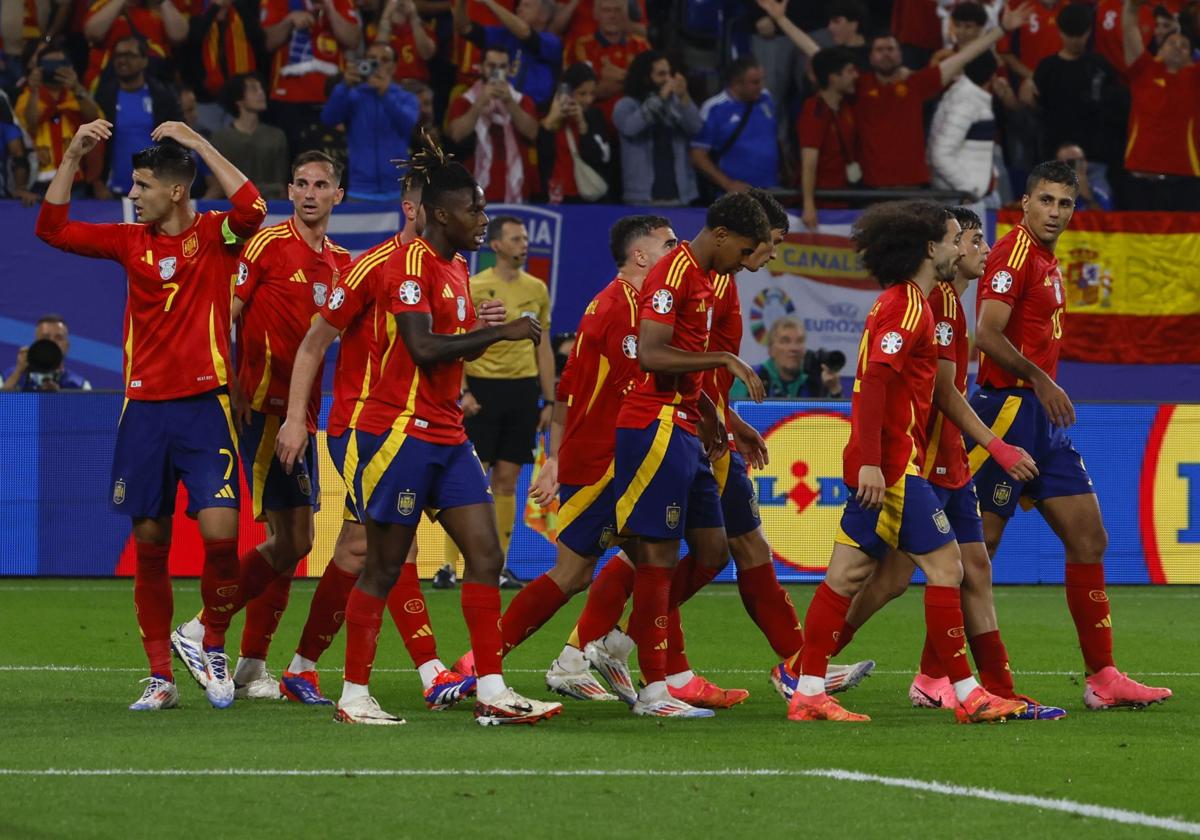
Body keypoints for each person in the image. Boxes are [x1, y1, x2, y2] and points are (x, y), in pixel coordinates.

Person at [35, 118, 267, 711]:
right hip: (143, 411)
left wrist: (198, 143)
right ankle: (161, 676)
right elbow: (51, 228)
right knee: (151, 541)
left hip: (204, 408)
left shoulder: (216, 235)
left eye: (141, 186)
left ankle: (211, 644)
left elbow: (255, 206)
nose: (132, 195)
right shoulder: (127, 242)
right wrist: (72, 156)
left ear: (176, 191)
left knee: (220, 537)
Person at [335, 142, 561, 726]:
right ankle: (353, 696)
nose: (483, 220)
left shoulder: (458, 268)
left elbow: (447, 339)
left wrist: (483, 329)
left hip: (446, 431)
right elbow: (423, 347)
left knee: (486, 555)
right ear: (440, 215)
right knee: (383, 566)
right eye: (475, 210)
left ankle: (491, 688)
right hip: (399, 433)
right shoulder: (408, 266)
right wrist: (502, 333)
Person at [786, 200, 1028, 724]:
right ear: (929, 248)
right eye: (950, 238)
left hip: (889, 461)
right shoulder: (911, 307)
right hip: (895, 465)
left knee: (847, 575)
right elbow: (874, 382)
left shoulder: (909, 302)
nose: (958, 245)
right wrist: (874, 462)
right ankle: (967, 693)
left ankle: (806, 690)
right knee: (947, 568)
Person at [831, 206, 1066, 721]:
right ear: (945, 247)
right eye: (971, 238)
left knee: (969, 567)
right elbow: (936, 393)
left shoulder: (949, 306)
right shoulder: (928, 304)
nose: (981, 249)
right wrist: (996, 445)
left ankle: (995, 688)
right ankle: (815, 666)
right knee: (887, 575)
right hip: (922, 459)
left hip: (947, 459)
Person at [272, 164, 480, 711]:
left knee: (356, 548)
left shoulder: (454, 266)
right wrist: (297, 417)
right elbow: (315, 342)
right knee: (394, 543)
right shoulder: (371, 266)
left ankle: (300, 668)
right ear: (416, 210)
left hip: (427, 428)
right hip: (366, 429)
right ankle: (433, 671)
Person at [969, 159, 1173, 709]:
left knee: (1089, 539)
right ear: (1025, 203)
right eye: (1047, 200)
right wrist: (1040, 378)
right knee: (978, 548)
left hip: (1041, 416)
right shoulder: (1013, 253)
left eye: (1065, 203)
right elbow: (984, 335)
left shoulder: (1047, 260)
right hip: (1006, 410)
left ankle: (1103, 677)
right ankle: (937, 675)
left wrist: (1042, 386)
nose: (1056, 211)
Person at [450, 214, 678, 701]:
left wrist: (554, 456)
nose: (676, 253)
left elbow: (565, 389)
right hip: (604, 463)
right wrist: (559, 459)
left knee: (653, 560)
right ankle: (489, 662)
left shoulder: (634, 306)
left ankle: (595, 661)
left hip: (620, 459)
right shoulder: (616, 309)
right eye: (668, 245)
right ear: (641, 256)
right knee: (580, 571)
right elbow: (583, 397)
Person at [170, 150, 353, 702]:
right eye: (300, 183)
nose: (309, 193)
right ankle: (202, 629)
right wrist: (229, 385)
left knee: (290, 541)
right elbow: (226, 311)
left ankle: (250, 665)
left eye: (321, 184)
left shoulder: (343, 263)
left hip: (302, 415)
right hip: (261, 411)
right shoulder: (267, 244)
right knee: (294, 537)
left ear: (337, 196)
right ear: (290, 191)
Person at [613, 192, 768, 718]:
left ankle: (618, 640)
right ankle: (654, 690)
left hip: (687, 427)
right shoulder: (673, 273)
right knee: (653, 556)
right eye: (744, 251)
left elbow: (684, 367)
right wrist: (724, 356)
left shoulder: (706, 278)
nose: (747, 262)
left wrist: (715, 414)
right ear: (721, 235)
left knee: (711, 551)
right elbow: (653, 354)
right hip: (653, 425)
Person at [758, 1, 1033, 188]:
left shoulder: (916, 84)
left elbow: (964, 56)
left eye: (891, 48)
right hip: (871, 190)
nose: (886, 53)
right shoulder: (860, 86)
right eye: (880, 49)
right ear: (870, 57)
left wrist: (1001, 30)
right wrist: (781, 19)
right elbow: (815, 52)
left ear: (901, 54)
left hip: (914, 188)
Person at [437, 215, 555, 590]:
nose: (524, 244)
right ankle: (447, 566)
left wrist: (548, 397)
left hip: (521, 391)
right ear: (497, 246)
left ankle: (500, 565)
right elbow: (459, 340)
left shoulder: (536, 288)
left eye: (525, 238)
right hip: (481, 390)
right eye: (516, 238)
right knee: (470, 478)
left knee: (507, 480)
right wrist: (463, 390)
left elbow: (545, 345)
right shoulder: (474, 286)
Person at [1032, 5, 1122, 198]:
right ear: (1059, 31)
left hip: (1095, 159)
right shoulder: (1047, 68)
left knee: (1099, 216)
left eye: (1079, 34)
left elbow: (1114, 109)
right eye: (1069, 34)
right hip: (1056, 160)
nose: (1074, 40)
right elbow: (1038, 111)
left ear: (1088, 32)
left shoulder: (1100, 66)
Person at [1120, 0, 1200, 210]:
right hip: (1140, 178)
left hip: (1184, 180)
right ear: (1159, 50)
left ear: (1190, 58)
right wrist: (1132, 7)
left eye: (1184, 46)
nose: (1178, 46)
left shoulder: (1195, 77)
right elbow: (1129, 24)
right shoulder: (1144, 69)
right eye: (1171, 43)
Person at [321, 42, 420, 201]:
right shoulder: (353, 96)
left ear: (394, 67)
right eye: (372, 59)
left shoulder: (406, 98)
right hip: (360, 189)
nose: (378, 63)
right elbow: (329, 119)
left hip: (397, 190)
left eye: (384, 59)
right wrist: (344, 86)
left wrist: (386, 93)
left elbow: (408, 125)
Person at [261, 0, 362, 155]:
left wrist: (330, 9)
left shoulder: (341, 2)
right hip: (289, 97)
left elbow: (353, 40)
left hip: (333, 95)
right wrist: (289, 20)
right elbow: (266, 43)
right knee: (296, 161)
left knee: (335, 160)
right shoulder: (277, 2)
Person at [445, 47, 539, 204]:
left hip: (516, 192)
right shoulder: (464, 101)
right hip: (473, 194)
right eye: (492, 66)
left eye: (502, 67)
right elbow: (456, 134)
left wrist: (509, 102)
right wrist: (480, 103)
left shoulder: (522, 101)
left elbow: (533, 133)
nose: (497, 71)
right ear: (481, 67)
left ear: (510, 70)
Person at [94, 36, 182, 197]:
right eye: (119, 55)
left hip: (156, 192)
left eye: (130, 55)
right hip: (111, 194)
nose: (122, 60)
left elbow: (177, 144)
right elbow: (93, 144)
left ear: (144, 61)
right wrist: (96, 182)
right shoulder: (103, 97)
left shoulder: (163, 97)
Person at [611, 50, 701, 206]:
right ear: (646, 78)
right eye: (661, 74)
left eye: (669, 74)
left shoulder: (675, 103)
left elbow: (695, 127)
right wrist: (660, 98)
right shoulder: (626, 105)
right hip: (642, 199)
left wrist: (684, 97)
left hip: (679, 196)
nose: (668, 79)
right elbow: (631, 128)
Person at [16, 45, 102, 195]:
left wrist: (77, 88)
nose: (55, 70)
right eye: (49, 65)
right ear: (39, 68)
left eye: (60, 64)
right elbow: (30, 122)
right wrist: (35, 89)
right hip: (40, 182)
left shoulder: (75, 95)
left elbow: (94, 117)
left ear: (69, 66)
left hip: (75, 180)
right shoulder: (28, 96)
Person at [690, 55, 779, 195]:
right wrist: (728, 184)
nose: (761, 86)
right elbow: (698, 156)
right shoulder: (715, 108)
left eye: (762, 80)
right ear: (736, 83)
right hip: (735, 197)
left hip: (772, 192)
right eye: (755, 82)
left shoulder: (766, 98)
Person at [454, 0, 562, 109]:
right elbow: (465, 28)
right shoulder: (506, 34)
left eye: (527, 5)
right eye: (519, 5)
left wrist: (489, 2)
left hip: (535, 111)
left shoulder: (552, 41)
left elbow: (525, 32)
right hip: (500, 106)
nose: (519, 8)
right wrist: (461, 3)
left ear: (543, 15)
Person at [180, 0, 265, 137]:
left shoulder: (242, 14)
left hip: (238, 104)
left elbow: (259, 40)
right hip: (204, 102)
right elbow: (193, 40)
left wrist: (239, 7)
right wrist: (214, 8)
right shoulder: (197, 13)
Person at [796, 46, 859, 231]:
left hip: (843, 198)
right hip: (823, 207)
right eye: (850, 71)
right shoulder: (814, 111)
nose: (856, 75)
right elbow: (809, 161)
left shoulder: (845, 107)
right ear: (833, 78)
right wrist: (809, 205)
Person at [536, 62, 612, 203]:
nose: (588, 100)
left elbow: (601, 159)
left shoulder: (594, 117)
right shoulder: (548, 114)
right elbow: (541, 157)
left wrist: (583, 126)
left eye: (592, 94)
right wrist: (550, 121)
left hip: (587, 197)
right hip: (555, 197)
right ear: (567, 91)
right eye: (582, 94)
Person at [928, 52, 999, 202]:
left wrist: (993, 174)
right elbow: (940, 154)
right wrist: (968, 189)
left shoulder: (970, 96)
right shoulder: (965, 102)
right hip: (962, 200)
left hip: (971, 196)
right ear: (993, 76)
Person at [208, 74, 290, 200]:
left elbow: (281, 184)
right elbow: (220, 184)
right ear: (238, 99)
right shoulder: (221, 138)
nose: (261, 93)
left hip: (272, 207)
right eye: (253, 89)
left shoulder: (276, 136)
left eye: (261, 88)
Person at [568, 0, 652, 120]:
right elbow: (574, 92)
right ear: (596, 14)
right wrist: (631, 80)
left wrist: (622, 78)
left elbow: (652, 84)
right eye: (606, 10)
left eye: (618, 10)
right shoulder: (581, 47)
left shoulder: (641, 46)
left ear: (626, 14)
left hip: (637, 119)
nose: (612, 16)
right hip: (594, 121)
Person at [729, 316, 844, 400]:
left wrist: (834, 390)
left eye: (799, 341)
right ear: (771, 349)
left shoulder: (816, 381)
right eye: (785, 341)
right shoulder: (749, 378)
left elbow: (834, 426)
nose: (793, 348)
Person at [81, 0, 187, 88]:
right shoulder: (105, 5)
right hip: (108, 83)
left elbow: (178, 36)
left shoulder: (162, 9)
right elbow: (93, 33)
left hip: (154, 83)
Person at [2, 314, 92, 392]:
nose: (52, 342)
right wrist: (18, 372)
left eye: (59, 338)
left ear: (67, 346)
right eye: (45, 337)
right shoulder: (7, 377)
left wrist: (59, 398)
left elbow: (87, 412)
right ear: (36, 343)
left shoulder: (80, 386)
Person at [371, 0, 436, 84]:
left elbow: (427, 54)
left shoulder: (424, 29)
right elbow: (378, 55)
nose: (399, 2)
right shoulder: (374, 29)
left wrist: (414, 17)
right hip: (385, 84)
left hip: (415, 86)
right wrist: (386, 17)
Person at [1057, 143, 1113, 211]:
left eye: (1080, 160)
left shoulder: (1100, 194)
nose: (1077, 166)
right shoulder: (1048, 192)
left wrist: (1088, 196)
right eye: (1071, 162)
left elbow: (1106, 219)